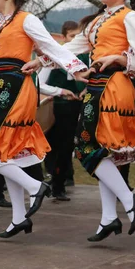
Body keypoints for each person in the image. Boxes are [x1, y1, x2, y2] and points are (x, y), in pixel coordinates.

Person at [32, 0, 135, 242]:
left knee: (87, 145)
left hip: (114, 87)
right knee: (105, 152)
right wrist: (42, 60)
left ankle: (129, 200)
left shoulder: (129, 16)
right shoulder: (98, 21)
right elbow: (72, 46)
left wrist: (125, 59)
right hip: (98, 86)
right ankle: (108, 218)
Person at [0, 0, 88, 239]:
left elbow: (51, 46)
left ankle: (35, 187)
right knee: (7, 153)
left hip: (18, 87)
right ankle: (19, 218)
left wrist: (76, 68)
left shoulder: (27, 19)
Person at [37, 20, 87, 201]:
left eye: (78, 36)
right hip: (56, 107)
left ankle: (59, 183)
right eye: (72, 36)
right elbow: (39, 83)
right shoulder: (54, 58)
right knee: (51, 146)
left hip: (76, 108)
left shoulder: (86, 57)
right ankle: (50, 180)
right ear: (65, 38)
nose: (75, 40)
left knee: (67, 148)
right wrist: (58, 91)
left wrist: (85, 90)